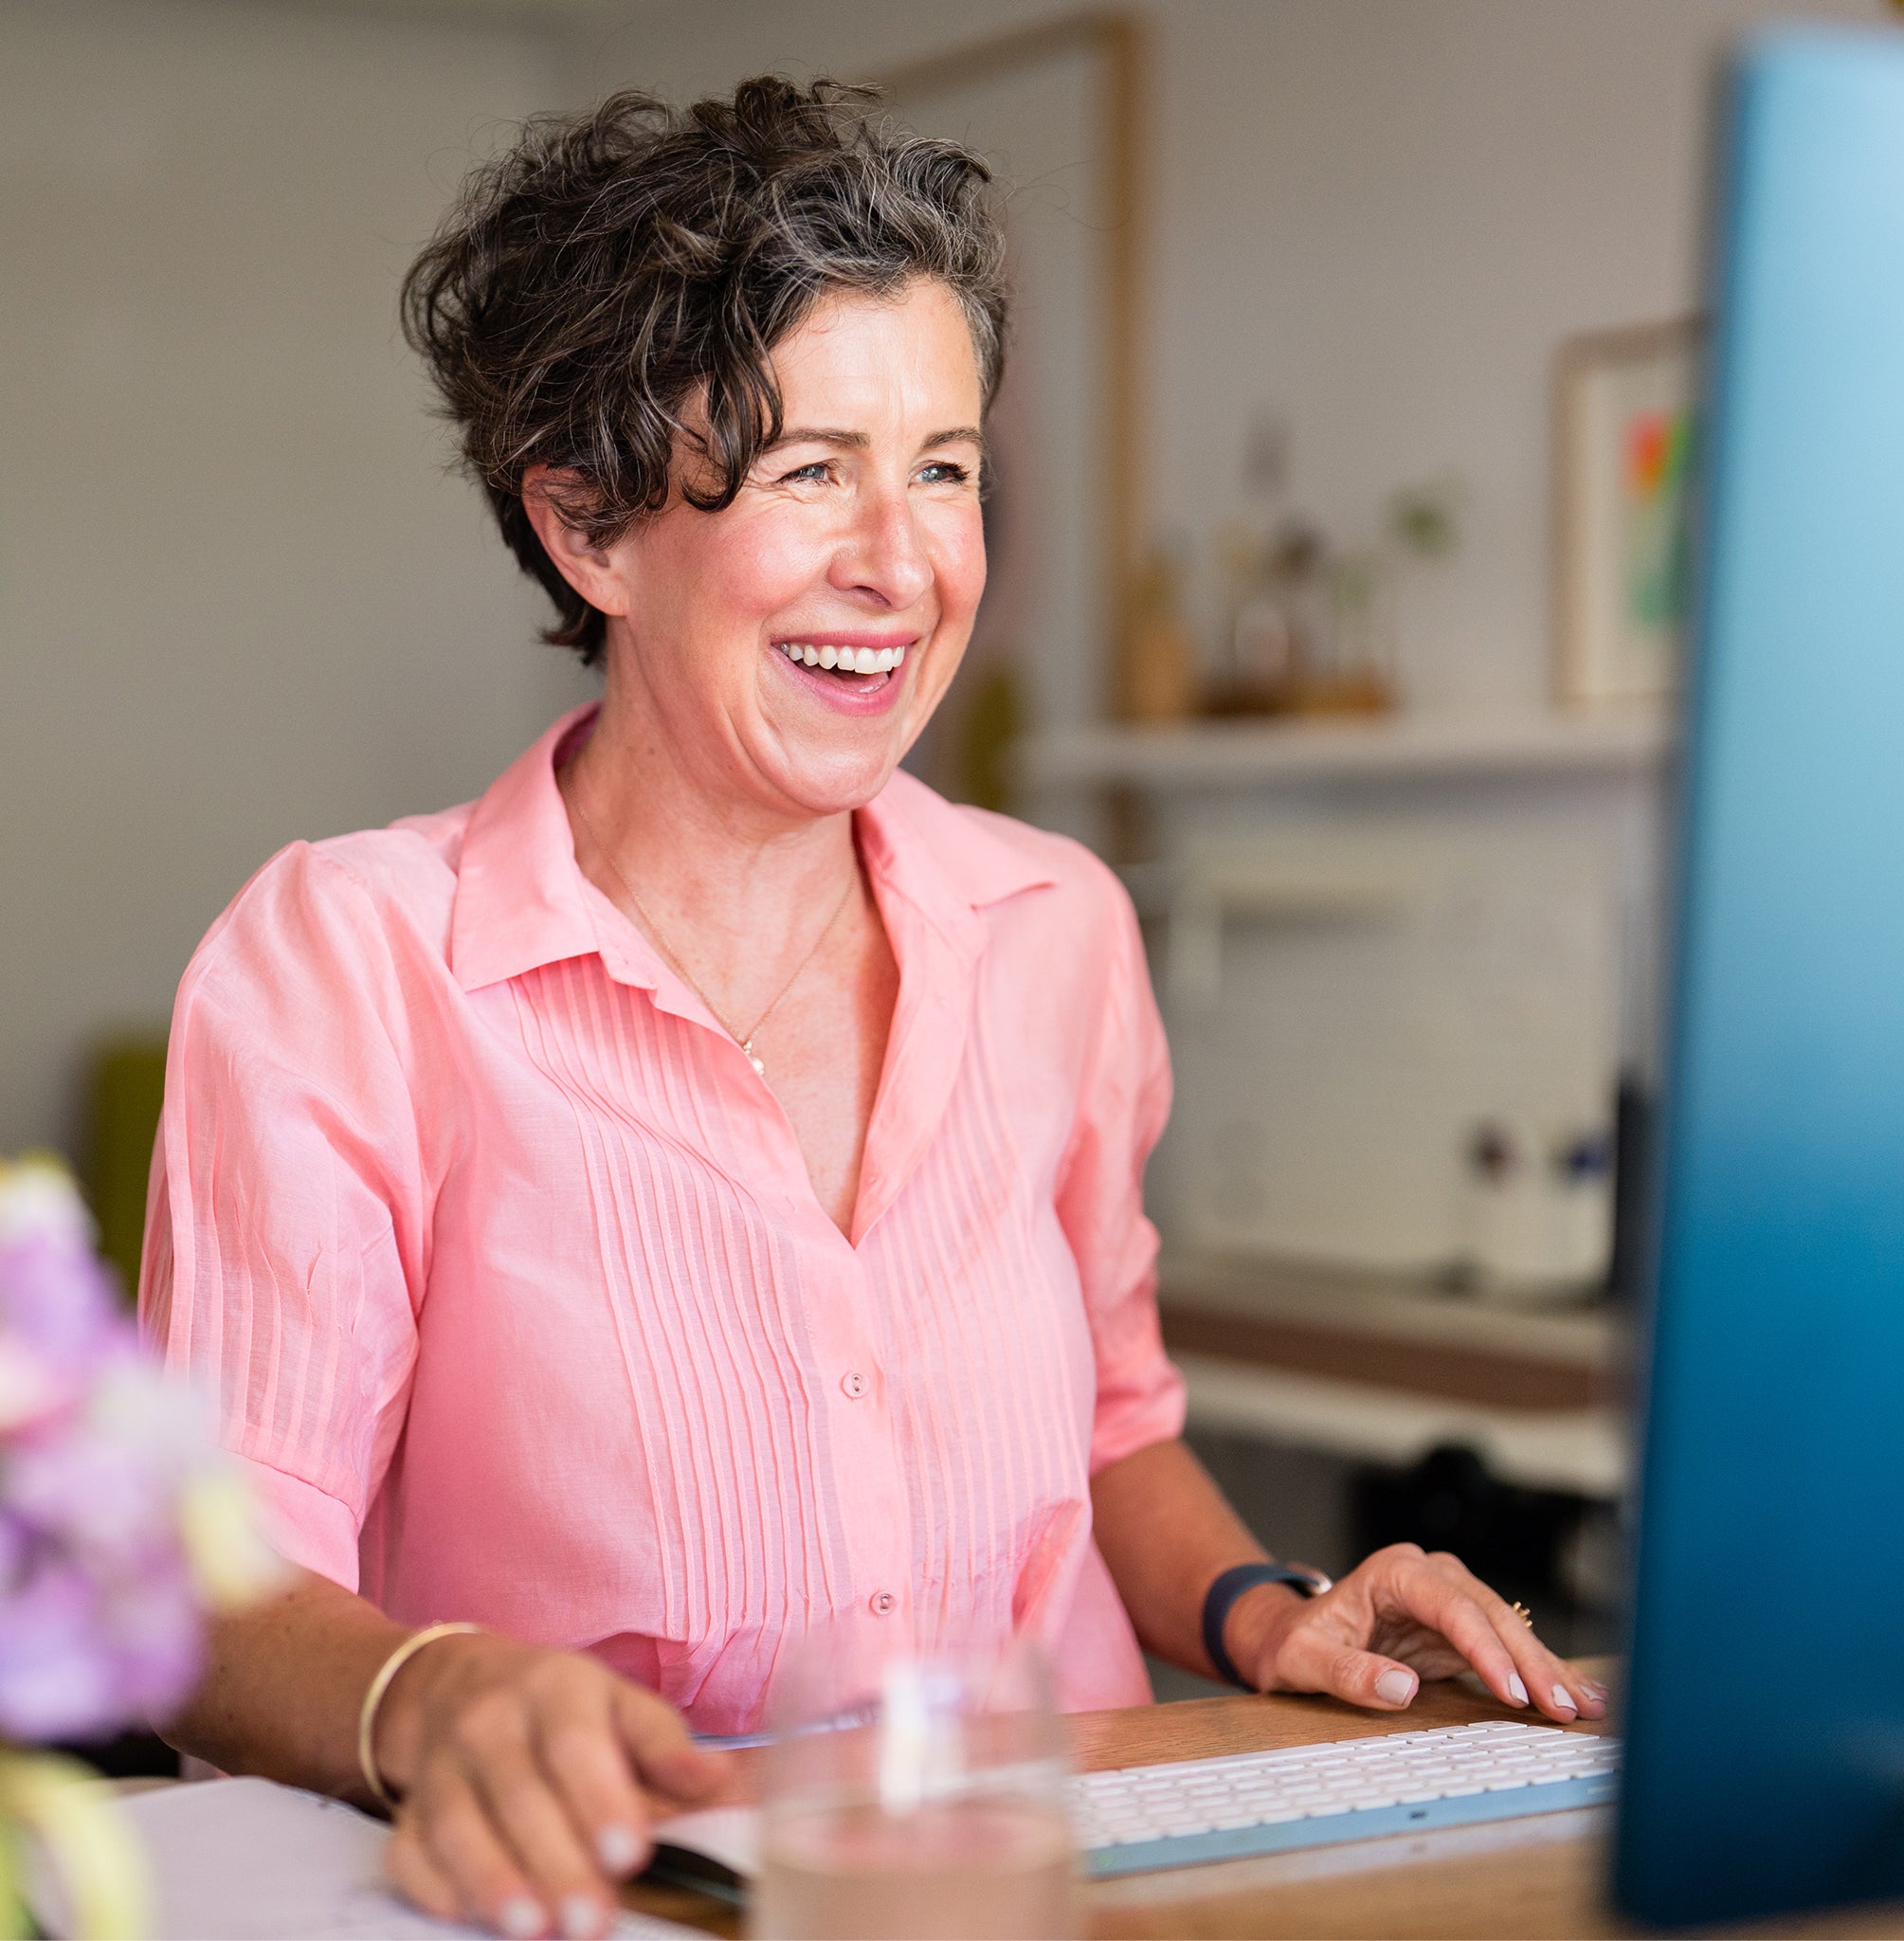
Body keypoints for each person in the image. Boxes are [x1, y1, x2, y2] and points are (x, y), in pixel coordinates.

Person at [140, 80, 1606, 1941]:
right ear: (588, 528)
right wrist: (426, 1692)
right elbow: (205, 1600)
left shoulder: (1053, 928)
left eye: (943, 465)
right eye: (809, 467)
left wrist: (1266, 1608)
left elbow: (1111, 1436)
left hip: (1048, 1888)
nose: (903, 566)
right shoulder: (340, 965)